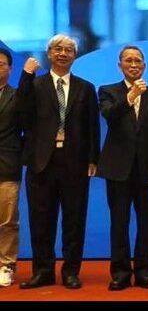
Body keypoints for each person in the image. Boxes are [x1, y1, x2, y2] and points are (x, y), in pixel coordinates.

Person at [17, 35, 99, 290]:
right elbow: (21, 115)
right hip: (42, 162)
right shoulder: (35, 84)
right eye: (58, 49)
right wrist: (26, 76)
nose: (63, 53)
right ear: (49, 54)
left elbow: (92, 127)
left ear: (75, 55)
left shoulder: (85, 88)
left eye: (69, 50)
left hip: (75, 162)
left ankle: (71, 272)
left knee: (74, 221)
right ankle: (43, 272)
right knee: (41, 221)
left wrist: (93, 159)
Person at [96, 45, 148, 291]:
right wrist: (131, 96)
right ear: (120, 66)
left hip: (147, 170)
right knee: (119, 223)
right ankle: (120, 273)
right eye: (129, 60)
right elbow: (110, 116)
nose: (134, 64)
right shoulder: (108, 91)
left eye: (138, 61)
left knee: (147, 223)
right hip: (118, 169)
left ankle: (145, 272)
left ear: (144, 66)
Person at [0, 48, 21, 288]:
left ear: (9, 68)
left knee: (7, 221)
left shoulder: (18, 97)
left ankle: (6, 265)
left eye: (1, 64)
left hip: (7, 165)